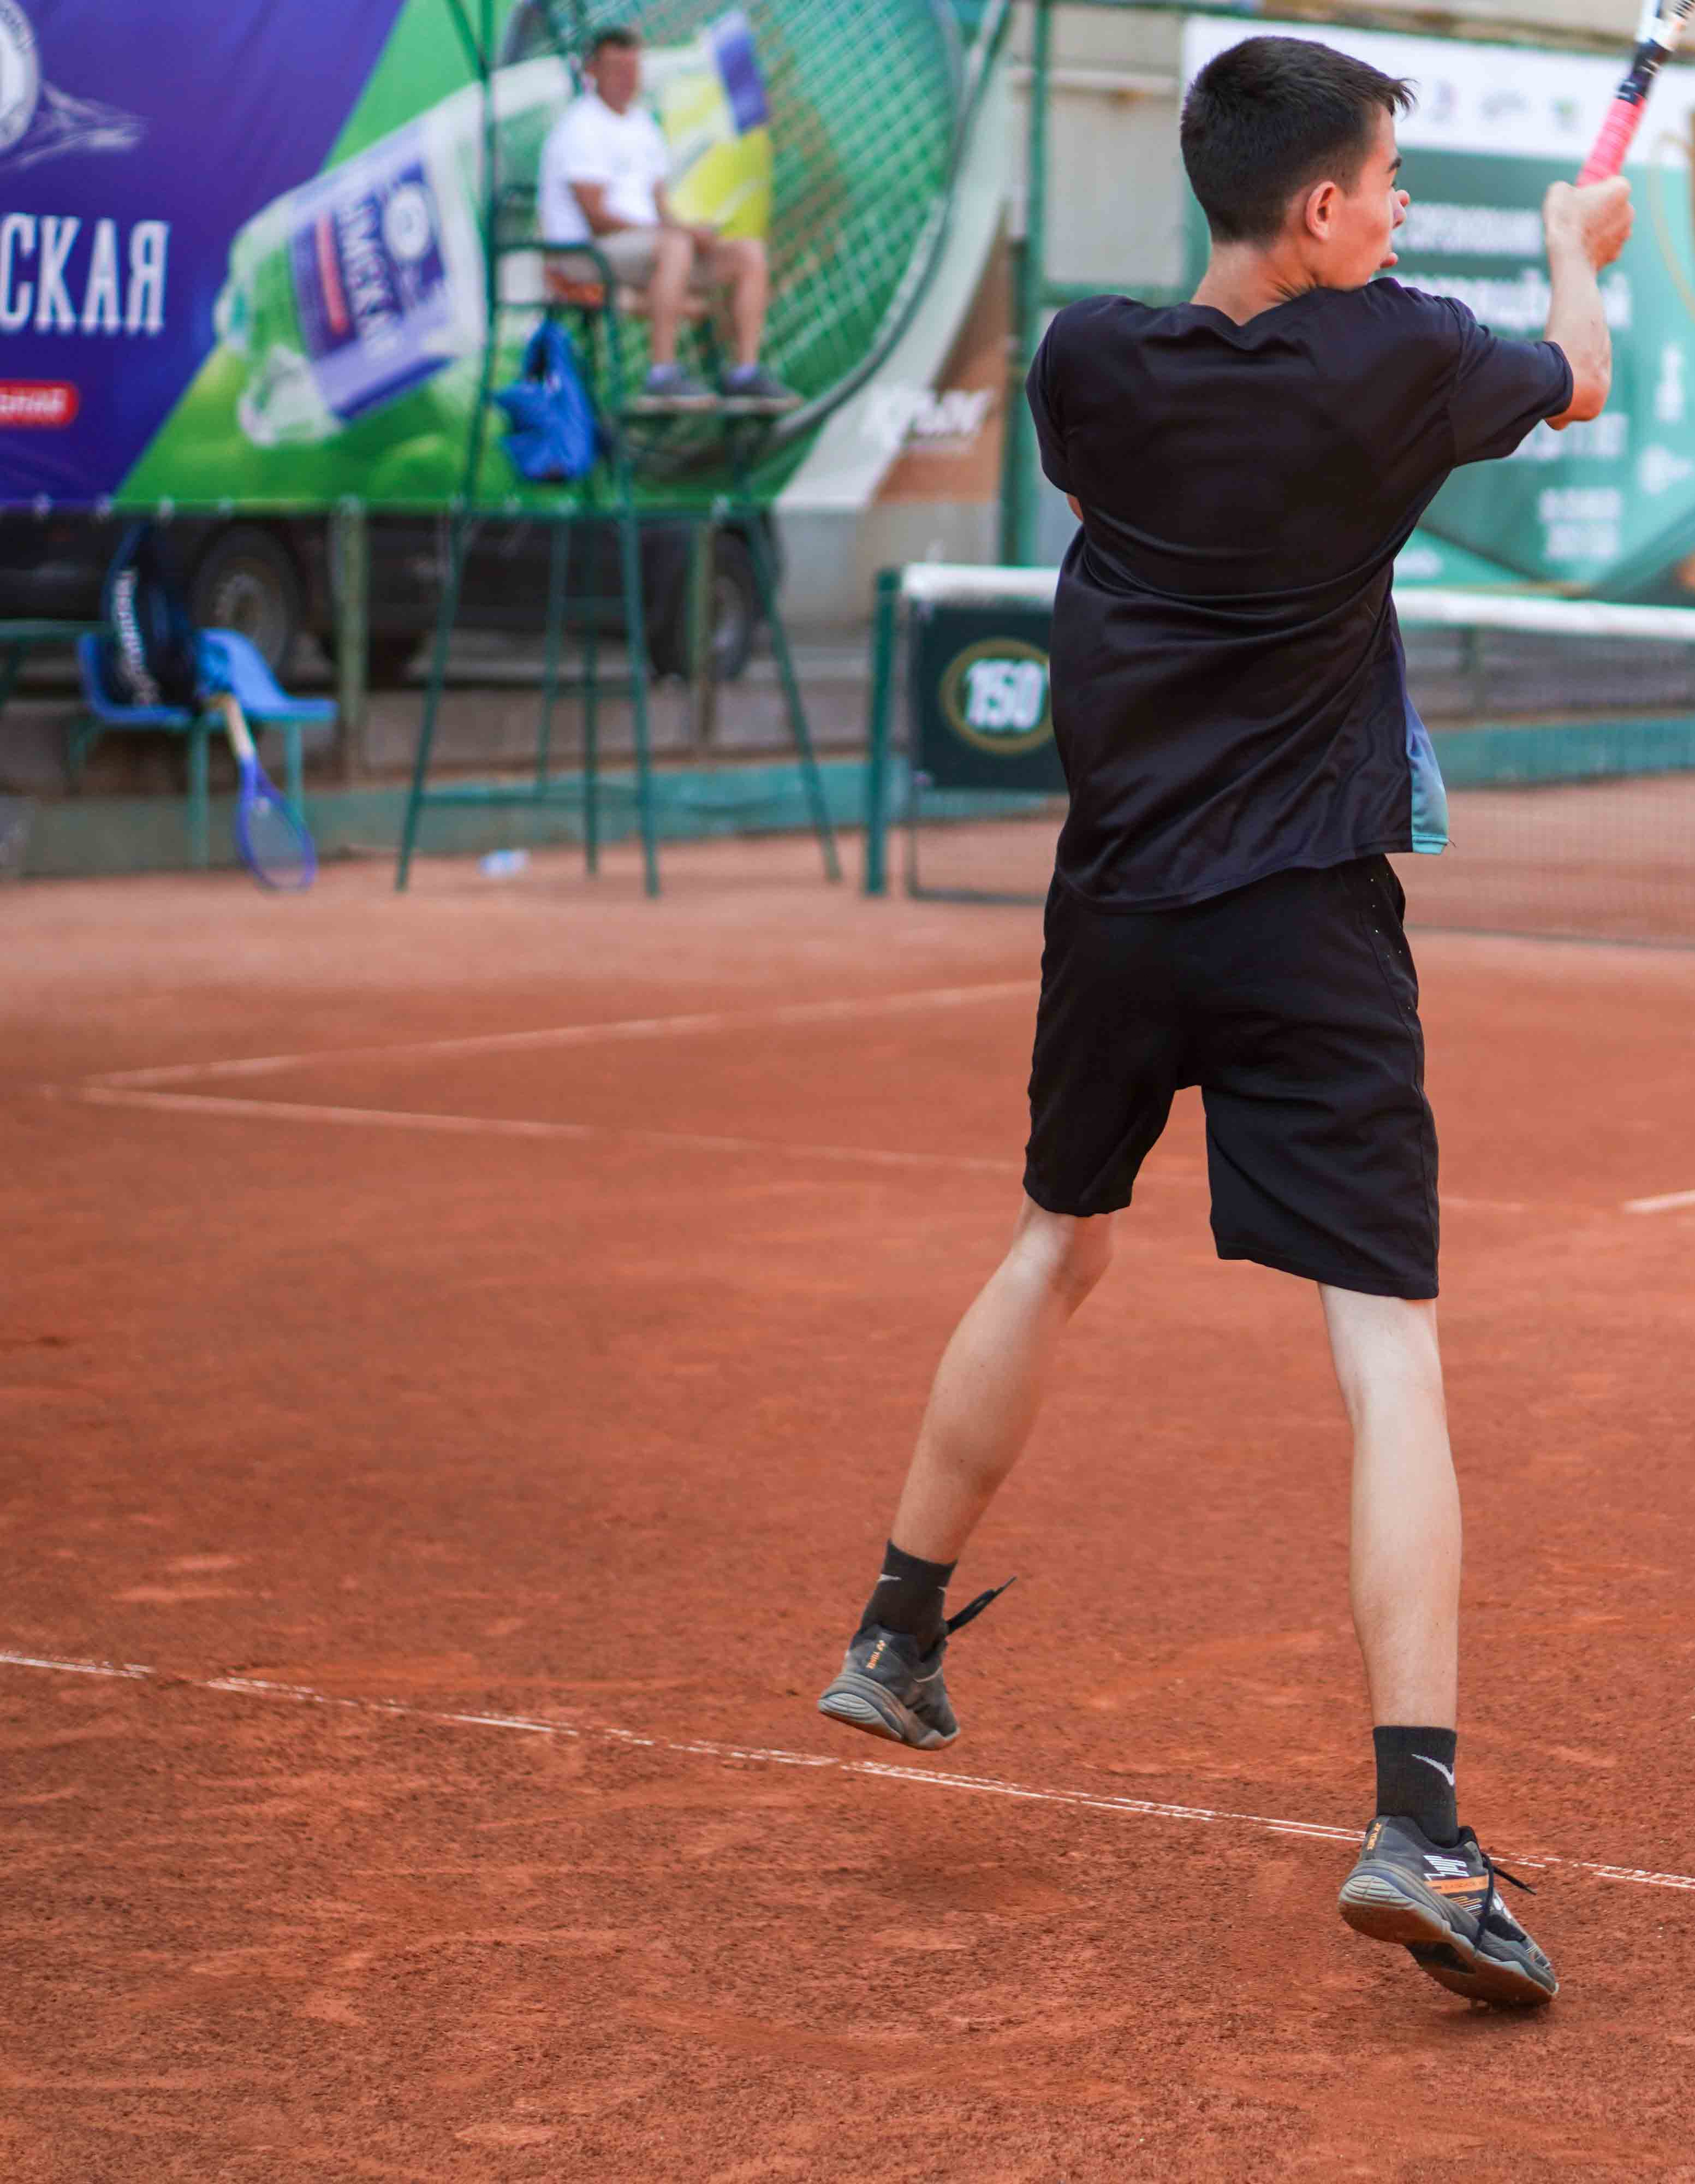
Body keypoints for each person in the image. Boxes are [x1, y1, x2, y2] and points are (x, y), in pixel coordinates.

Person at [812, 34, 1630, 2010]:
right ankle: (1421, 1827)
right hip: (1304, 920)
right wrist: (1577, 248)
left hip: (1116, 908)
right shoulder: (1399, 357)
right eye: (1391, 189)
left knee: (1055, 1242)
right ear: (1324, 209)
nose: (1404, 218)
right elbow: (1578, 380)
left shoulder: (1090, 363)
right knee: (1386, 1346)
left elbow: (1196, 407)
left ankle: (896, 1626)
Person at [534, 26, 792, 406]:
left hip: (645, 253)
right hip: (583, 257)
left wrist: (692, 232)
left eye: (633, 68)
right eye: (616, 69)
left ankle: (744, 373)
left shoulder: (643, 126)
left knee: (746, 253)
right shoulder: (581, 127)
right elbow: (597, 219)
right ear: (592, 71)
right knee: (675, 246)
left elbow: (659, 209)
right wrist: (675, 234)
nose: (627, 79)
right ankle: (662, 375)